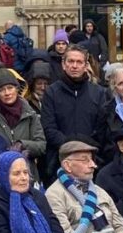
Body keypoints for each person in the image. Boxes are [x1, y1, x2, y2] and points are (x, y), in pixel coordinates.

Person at [41, 44, 107, 181]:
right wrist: (71, 148)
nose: (74, 66)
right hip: (59, 162)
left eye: (79, 62)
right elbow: (49, 128)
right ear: (63, 64)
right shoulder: (51, 92)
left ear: (85, 65)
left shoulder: (99, 93)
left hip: (91, 161)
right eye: (70, 61)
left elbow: (101, 129)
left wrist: (85, 150)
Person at [0, 68, 46, 180]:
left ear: (17, 89)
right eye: (2, 90)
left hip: (27, 175)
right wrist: (6, 156)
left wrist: (22, 145)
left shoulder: (30, 113)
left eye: (10, 88)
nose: (7, 93)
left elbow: (41, 145)